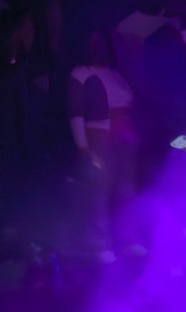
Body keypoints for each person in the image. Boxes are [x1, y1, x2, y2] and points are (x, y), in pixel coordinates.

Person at [68, 29, 143, 261]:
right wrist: (82, 147)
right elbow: (75, 112)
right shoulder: (80, 73)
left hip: (124, 138)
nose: (98, 46)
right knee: (99, 191)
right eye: (94, 42)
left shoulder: (115, 74)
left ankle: (129, 239)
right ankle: (100, 244)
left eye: (101, 42)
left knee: (126, 189)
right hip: (99, 136)